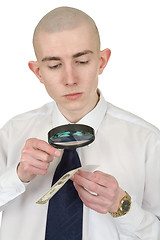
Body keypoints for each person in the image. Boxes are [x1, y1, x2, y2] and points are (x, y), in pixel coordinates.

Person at [0, 6, 160, 240]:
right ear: (38, 72)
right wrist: (17, 176)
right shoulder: (11, 133)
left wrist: (122, 205)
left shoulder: (147, 141)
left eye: (82, 61)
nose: (70, 79)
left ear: (102, 61)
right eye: (54, 66)